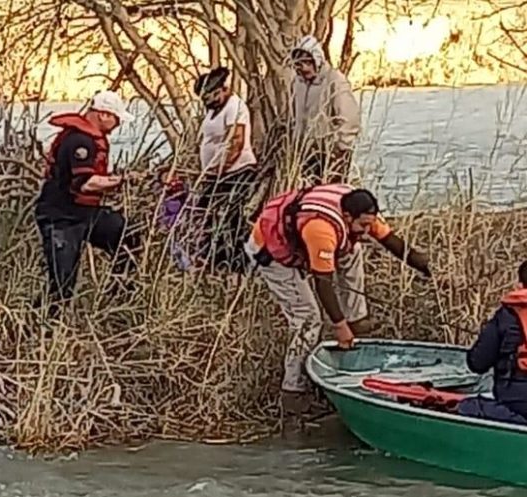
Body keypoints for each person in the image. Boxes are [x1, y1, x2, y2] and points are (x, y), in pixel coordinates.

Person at [243, 183, 431, 411]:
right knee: (308, 318)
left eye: (369, 225)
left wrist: (426, 267)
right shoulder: (321, 230)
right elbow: (323, 282)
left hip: (316, 239)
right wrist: (339, 325)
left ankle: (356, 324)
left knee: (355, 249)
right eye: (362, 225)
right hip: (271, 253)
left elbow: (392, 242)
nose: (365, 231)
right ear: (346, 216)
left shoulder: (363, 213)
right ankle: (292, 392)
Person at [34, 90, 140, 317]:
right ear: (103, 115)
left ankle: (119, 300)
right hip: (60, 218)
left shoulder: (87, 138)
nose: (118, 124)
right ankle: (42, 329)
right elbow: (85, 183)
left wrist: (115, 179)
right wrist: (119, 181)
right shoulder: (79, 142)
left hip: (85, 213)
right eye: (116, 118)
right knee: (62, 284)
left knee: (128, 236)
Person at [194, 66, 259, 274]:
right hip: (215, 174)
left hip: (234, 172)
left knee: (229, 218)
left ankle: (238, 263)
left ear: (222, 90)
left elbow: (236, 141)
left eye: (211, 96)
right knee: (206, 214)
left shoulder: (235, 107)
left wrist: (221, 168)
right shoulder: (213, 111)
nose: (208, 101)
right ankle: (215, 260)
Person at [459, 261, 527, 424]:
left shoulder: (505, 316)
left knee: (468, 407)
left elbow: (477, 363)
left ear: (520, 285)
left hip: (516, 401)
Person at [289, 35, 360, 186]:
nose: (304, 68)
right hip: (305, 153)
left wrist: (339, 149)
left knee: (330, 195)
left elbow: (349, 119)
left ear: (317, 59)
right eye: (299, 64)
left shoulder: (335, 80)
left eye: (308, 62)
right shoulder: (297, 84)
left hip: (331, 153)